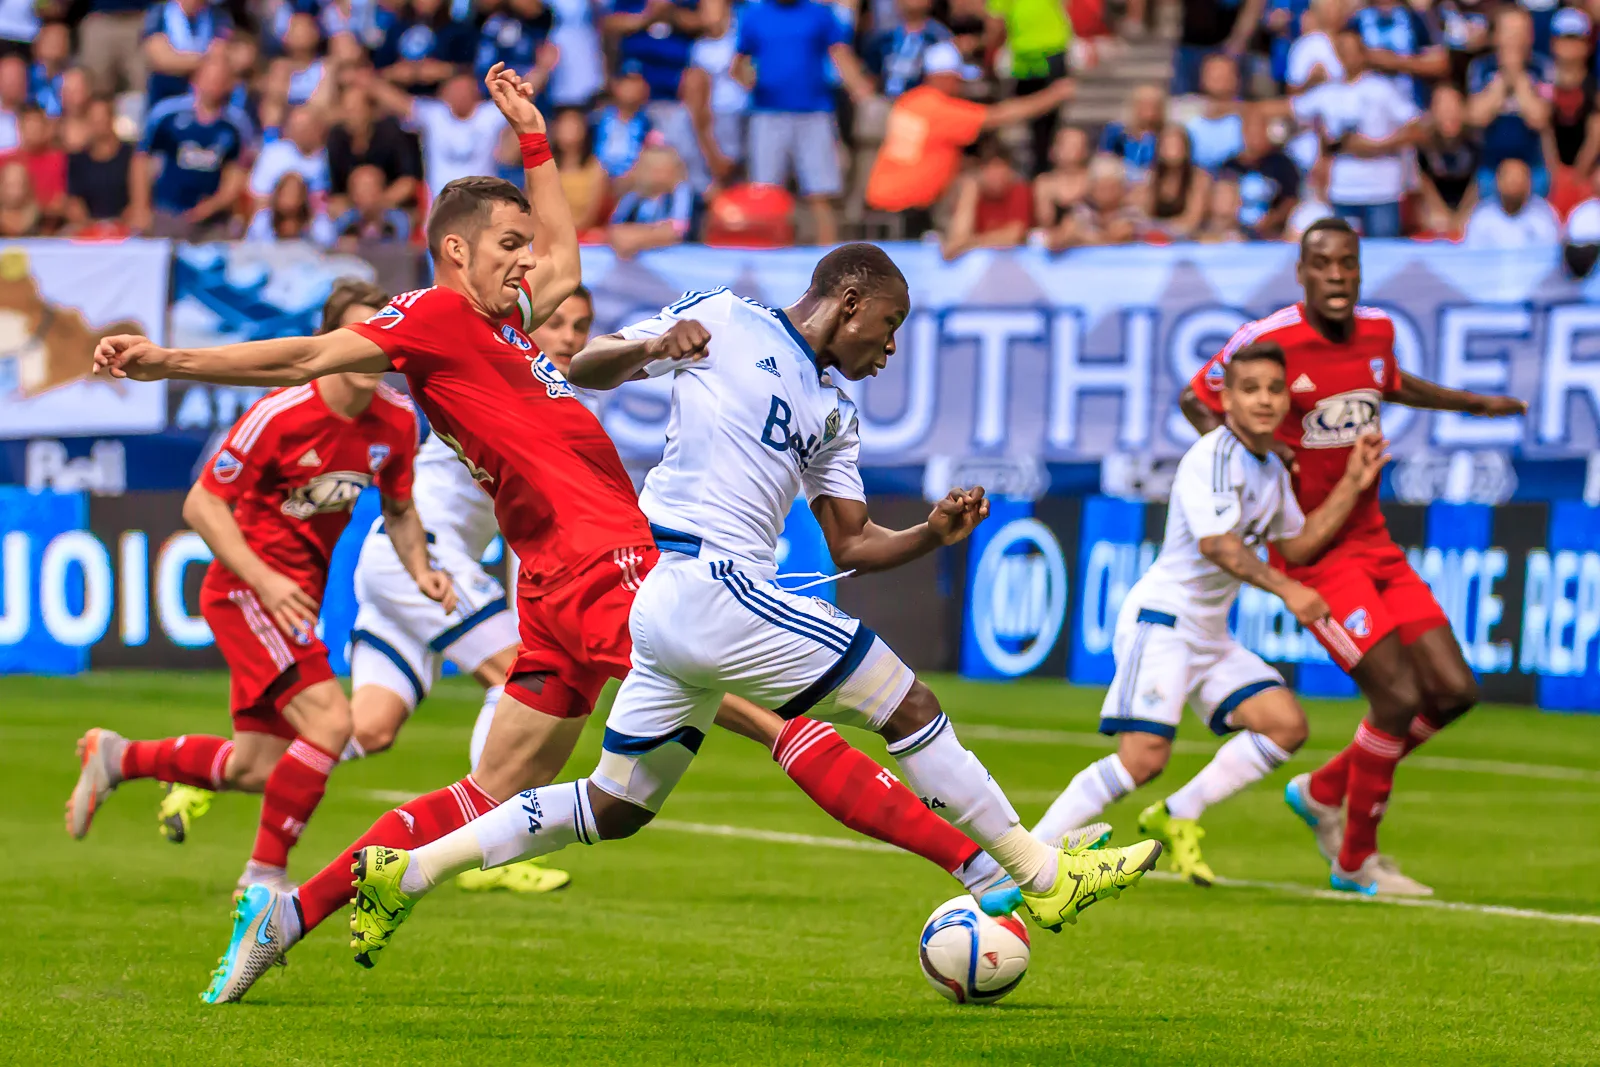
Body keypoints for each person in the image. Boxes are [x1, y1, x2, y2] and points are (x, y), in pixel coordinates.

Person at [97, 67, 1029, 1004]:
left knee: (490, 793)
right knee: (772, 714)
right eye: (509, 246)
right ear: (454, 251)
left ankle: (292, 912)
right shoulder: (434, 318)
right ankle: (994, 872)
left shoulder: (510, 332)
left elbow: (569, 263)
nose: (528, 261)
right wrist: (167, 360)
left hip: (555, 582)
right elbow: (307, 355)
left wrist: (537, 144)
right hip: (601, 568)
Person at [344, 245, 1165, 969]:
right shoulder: (726, 317)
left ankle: (409, 870)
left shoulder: (836, 413)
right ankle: (1039, 875)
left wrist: (932, 533)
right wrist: (654, 348)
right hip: (699, 576)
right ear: (849, 300)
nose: (890, 344)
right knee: (904, 699)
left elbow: (850, 545)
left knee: (615, 803)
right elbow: (576, 369)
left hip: (679, 610)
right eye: (889, 320)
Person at [1179, 217, 1527, 896]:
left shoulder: (1378, 331)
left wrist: (1473, 403)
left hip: (1374, 541)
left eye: (1349, 264)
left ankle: (1324, 789)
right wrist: (1249, 458)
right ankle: (1355, 863)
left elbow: (1391, 382)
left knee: (1455, 691)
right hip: (1312, 553)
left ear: (1359, 270)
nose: (1337, 276)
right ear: (1302, 273)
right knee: (1395, 696)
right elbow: (1198, 397)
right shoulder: (1270, 340)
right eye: (1324, 264)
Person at [67, 278, 447, 900]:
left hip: (295, 597)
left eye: (379, 336)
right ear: (329, 342)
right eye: (355, 336)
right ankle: (264, 880)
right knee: (330, 722)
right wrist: (266, 579)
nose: (369, 349)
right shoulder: (281, 412)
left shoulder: (397, 420)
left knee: (256, 768)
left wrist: (423, 568)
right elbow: (201, 505)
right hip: (247, 590)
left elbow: (401, 509)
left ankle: (119, 758)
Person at [1033, 342, 1390, 885]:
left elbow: (1297, 545)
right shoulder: (1214, 456)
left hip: (1209, 633)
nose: (1265, 400)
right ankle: (1029, 855)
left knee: (1284, 726)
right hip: (1164, 622)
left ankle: (1178, 814)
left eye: (1275, 389)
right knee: (1143, 759)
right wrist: (1287, 593)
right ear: (1225, 399)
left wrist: (1350, 485)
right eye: (1250, 390)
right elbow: (1218, 546)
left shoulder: (1268, 468)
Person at [864, 49, 1073, 227]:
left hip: (885, 198)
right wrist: (1053, 96)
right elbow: (998, 116)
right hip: (906, 205)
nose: (960, 85)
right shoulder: (937, 108)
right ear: (943, 76)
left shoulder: (910, 101)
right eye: (957, 78)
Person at [735, 0, 871, 245]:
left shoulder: (819, 15)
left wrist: (860, 89)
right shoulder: (754, 16)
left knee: (821, 190)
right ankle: (768, 249)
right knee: (765, 191)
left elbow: (840, 53)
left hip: (814, 112)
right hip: (767, 113)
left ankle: (828, 254)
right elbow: (740, 61)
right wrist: (747, 78)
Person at [1285, 28, 1422, 238]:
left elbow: (1417, 127)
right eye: (1341, 50)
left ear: (1363, 53)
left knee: (1383, 256)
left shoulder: (1382, 88)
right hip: (1342, 191)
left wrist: (1376, 146)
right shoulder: (1327, 92)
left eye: (1351, 50)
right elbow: (1291, 108)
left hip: (1381, 191)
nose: (1346, 56)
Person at [130, 57, 255, 236]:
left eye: (220, 80)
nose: (214, 85)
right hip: (167, 212)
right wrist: (140, 207)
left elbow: (237, 174)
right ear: (196, 79)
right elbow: (141, 160)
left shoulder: (236, 125)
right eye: (210, 78)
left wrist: (212, 206)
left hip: (212, 220)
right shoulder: (167, 115)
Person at [1466, 6, 1552, 202]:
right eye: (1510, 32)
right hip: (1490, 170)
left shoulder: (1542, 68)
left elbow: (1538, 118)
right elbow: (1477, 117)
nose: (1516, 39)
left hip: (1533, 170)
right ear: (1496, 36)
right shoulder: (1480, 68)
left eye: (1522, 32)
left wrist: (1519, 76)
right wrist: (1504, 77)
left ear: (1530, 37)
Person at [940, 137, 1033, 259]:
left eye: (1001, 169)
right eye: (991, 169)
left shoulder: (1019, 190)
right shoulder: (973, 192)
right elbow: (958, 236)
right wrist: (969, 193)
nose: (996, 176)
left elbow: (1014, 235)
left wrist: (968, 244)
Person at [1219, 108, 1299, 239]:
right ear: (1243, 132)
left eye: (1259, 130)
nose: (1255, 136)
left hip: (1273, 233)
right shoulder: (1230, 165)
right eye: (1250, 131)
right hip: (1234, 232)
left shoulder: (1283, 164)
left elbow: (1291, 200)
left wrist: (1272, 220)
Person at [606, 142, 694, 257]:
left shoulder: (681, 192)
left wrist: (637, 238)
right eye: (654, 169)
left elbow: (676, 231)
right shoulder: (633, 197)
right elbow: (615, 228)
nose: (659, 175)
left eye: (664, 169)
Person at [1416, 84, 1480, 234]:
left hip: (1467, 203)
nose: (1449, 113)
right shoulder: (1422, 143)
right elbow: (1423, 182)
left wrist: (1460, 216)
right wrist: (1441, 212)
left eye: (1454, 106)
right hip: (1434, 204)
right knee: (1437, 222)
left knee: (1470, 224)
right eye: (1443, 107)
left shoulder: (1476, 140)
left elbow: (1475, 185)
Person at [1462, 157, 1560, 249]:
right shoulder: (1482, 216)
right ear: (1497, 182)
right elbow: (1472, 256)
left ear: (1529, 184)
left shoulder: (1545, 215)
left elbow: (1553, 256)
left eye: (1519, 177)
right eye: (1509, 177)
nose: (1514, 182)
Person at [1139, 124, 1209, 240]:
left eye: (1176, 144)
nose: (1172, 149)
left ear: (1186, 148)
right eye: (1167, 145)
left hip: (1187, 239)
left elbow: (1192, 221)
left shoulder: (1199, 177)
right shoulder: (1151, 176)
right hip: (1155, 240)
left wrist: (1162, 228)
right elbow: (1144, 215)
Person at [244, 170, 335, 245]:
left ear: (303, 197)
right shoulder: (262, 221)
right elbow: (250, 248)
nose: (289, 197)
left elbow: (327, 247)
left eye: (294, 192)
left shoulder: (317, 224)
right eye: (285, 193)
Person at [1098, 84, 1164, 182]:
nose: (1149, 111)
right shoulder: (1116, 132)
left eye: (1153, 106)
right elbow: (1104, 160)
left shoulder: (1164, 136)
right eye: (1144, 105)